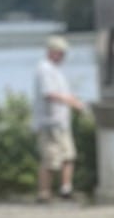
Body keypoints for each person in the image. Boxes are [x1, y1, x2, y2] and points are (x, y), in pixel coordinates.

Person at [31, 36, 85, 201]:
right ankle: (44, 192)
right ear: (52, 52)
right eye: (60, 53)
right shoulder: (44, 69)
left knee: (68, 156)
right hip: (49, 122)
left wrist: (71, 100)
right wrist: (72, 102)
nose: (63, 57)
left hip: (61, 121)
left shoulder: (55, 70)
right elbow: (49, 94)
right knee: (50, 159)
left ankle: (66, 189)